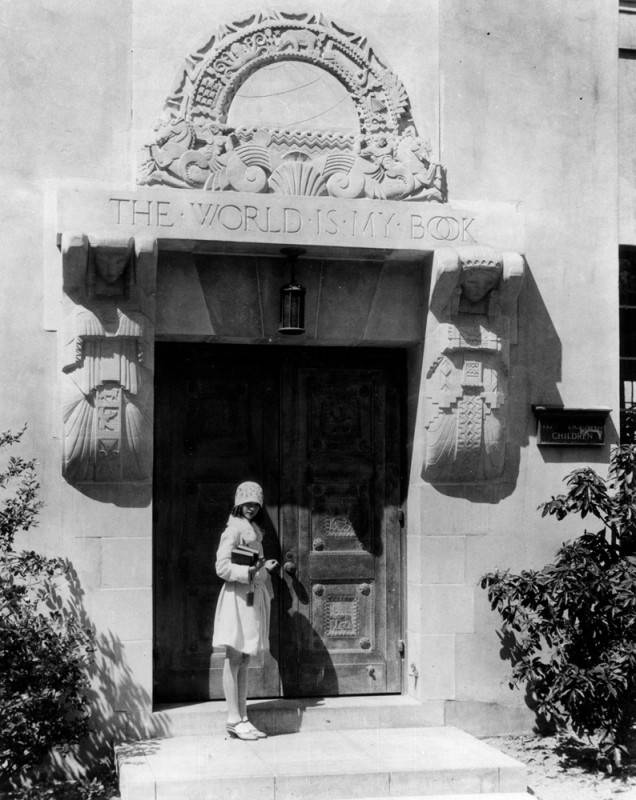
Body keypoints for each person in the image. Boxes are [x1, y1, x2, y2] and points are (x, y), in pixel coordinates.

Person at [212, 481, 279, 740]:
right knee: (234, 655)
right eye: (247, 503)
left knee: (246, 656)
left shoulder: (253, 530)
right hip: (237, 597)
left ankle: (243, 716)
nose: (251, 508)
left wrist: (264, 569)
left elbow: (254, 564)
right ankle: (232, 717)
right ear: (239, 503)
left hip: (251, 595)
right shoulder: (233, 530)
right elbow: (222, 567)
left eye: (255, 504)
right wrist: (251, 571)